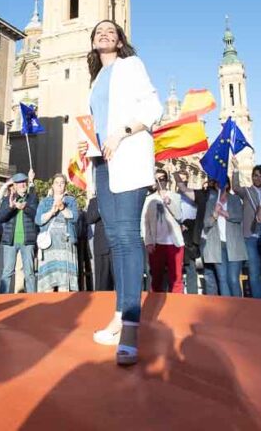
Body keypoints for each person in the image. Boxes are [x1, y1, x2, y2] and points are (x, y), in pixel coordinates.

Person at [84, 19, 162, 366]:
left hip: (127, 154)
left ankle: (131, 326)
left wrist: (121, 132)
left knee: (128, 237)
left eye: (111, 32)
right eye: (99, 31)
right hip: (101, 162)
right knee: (114, 239)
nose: (105, 34)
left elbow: (153, 108)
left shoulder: (131, 65)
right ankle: (118, 315)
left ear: (120, 41)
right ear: (93, 41)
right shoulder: (97, 79)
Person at [200, 181, 246, 297]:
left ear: (227, 184)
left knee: (233, 279)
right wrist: (215, 214)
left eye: (222, 182)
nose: (219, 185)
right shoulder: (211, 201)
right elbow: (206, 223)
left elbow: (239, 217)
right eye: (217, 183)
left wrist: (225, 213)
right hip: (217, 245)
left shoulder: (235, 199)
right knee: (222, 278)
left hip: (234, 245)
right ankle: (227, 308)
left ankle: (238, 306)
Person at [36, 174, 80, 293]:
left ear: (65, 186)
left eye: (62, 182)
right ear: (53, 185)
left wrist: (63, 208)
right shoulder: (45, 201)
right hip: (49, 245)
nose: (59, 185)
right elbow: (38, 220)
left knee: (64, 284)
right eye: (57, 182)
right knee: (48, 285)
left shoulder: (71, 200)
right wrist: (52, 211)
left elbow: (75, 217)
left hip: (65, 243)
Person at [142, 169, 184, 293]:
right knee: (156, 278)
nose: (160, 182)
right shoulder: (149, 199)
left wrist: (169, 202)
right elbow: (144, 221)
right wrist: (148, 241)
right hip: (157, 243)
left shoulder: (175, 196)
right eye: (157, 180)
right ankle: (155, 305)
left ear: (167, 180)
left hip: (174, 243)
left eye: (162, 179)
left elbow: (179, 216)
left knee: (176, 278)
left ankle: (177, 305)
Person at [0, 172, 39, 294]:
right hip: (10, 240)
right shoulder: (8, 199)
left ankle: (32, 298)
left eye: (24, 182)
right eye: (19, 183)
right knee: (7, 272)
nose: (22, 185)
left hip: (28, 241)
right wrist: (11, 207)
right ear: (14, 185)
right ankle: (2, 298)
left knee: (29, 272)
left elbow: (37, 217)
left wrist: (25, 208)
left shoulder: (32, 198)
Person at [234, 165, 261, 299]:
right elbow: (235, 187)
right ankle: (259, 301)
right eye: (255, 175)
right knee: (254, 270)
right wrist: (236, 169)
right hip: (250, 236)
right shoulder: (247, 192)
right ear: (252, 176)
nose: (257, 178)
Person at [173, 170, 201, 294]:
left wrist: (188, 225)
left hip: (188, 233)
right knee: (175, 265)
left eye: (184, 179)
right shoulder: (172, 196)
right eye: (180, 178)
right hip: (175, 233)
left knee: (190, 266)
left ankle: (192, 292)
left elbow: (196, 214)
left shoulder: (193, 196)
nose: (181, 181)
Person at [82, 196, 113, 291]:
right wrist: (101, 207)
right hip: (102, 245)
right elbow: (90, 219)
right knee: (102, 283)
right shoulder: (95, 201)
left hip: (118, 246)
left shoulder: (120, 197)